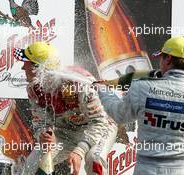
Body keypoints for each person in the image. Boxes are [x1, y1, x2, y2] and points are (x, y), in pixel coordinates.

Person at [92, 36, 184, 175]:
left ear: (168, 59)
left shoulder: (141, 88)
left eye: (161, 57)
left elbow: (118, 115)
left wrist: (103, 90)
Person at [14, 42, 118, 175]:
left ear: (38, 68)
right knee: (32, 164)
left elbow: (99, 122)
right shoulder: (33, 87)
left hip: (102, 127)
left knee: (94, 158)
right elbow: (40, 121)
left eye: (26, 63)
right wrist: (44, 135)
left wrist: (80, 151)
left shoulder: (79, 83)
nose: (23, 67)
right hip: (66, 132)